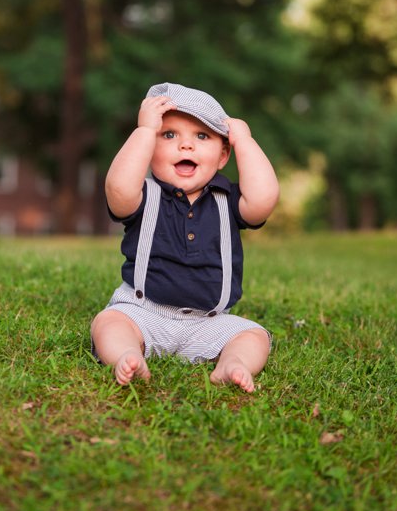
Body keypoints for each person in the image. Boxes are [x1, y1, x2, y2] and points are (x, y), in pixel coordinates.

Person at [90, 82, 279, 392]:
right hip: (143, 312)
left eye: (201, 136)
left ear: (222, 155)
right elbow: (118, 190)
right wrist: (143, 132)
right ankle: (127, 354)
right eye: (169, 135)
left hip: (208, 321)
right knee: (109, 324)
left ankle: (233, 363)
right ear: (150, 150)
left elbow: (263, 200)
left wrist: (245, 141)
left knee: (253, 336)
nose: (186, 146)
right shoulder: (144, 195)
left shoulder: (226, 200)